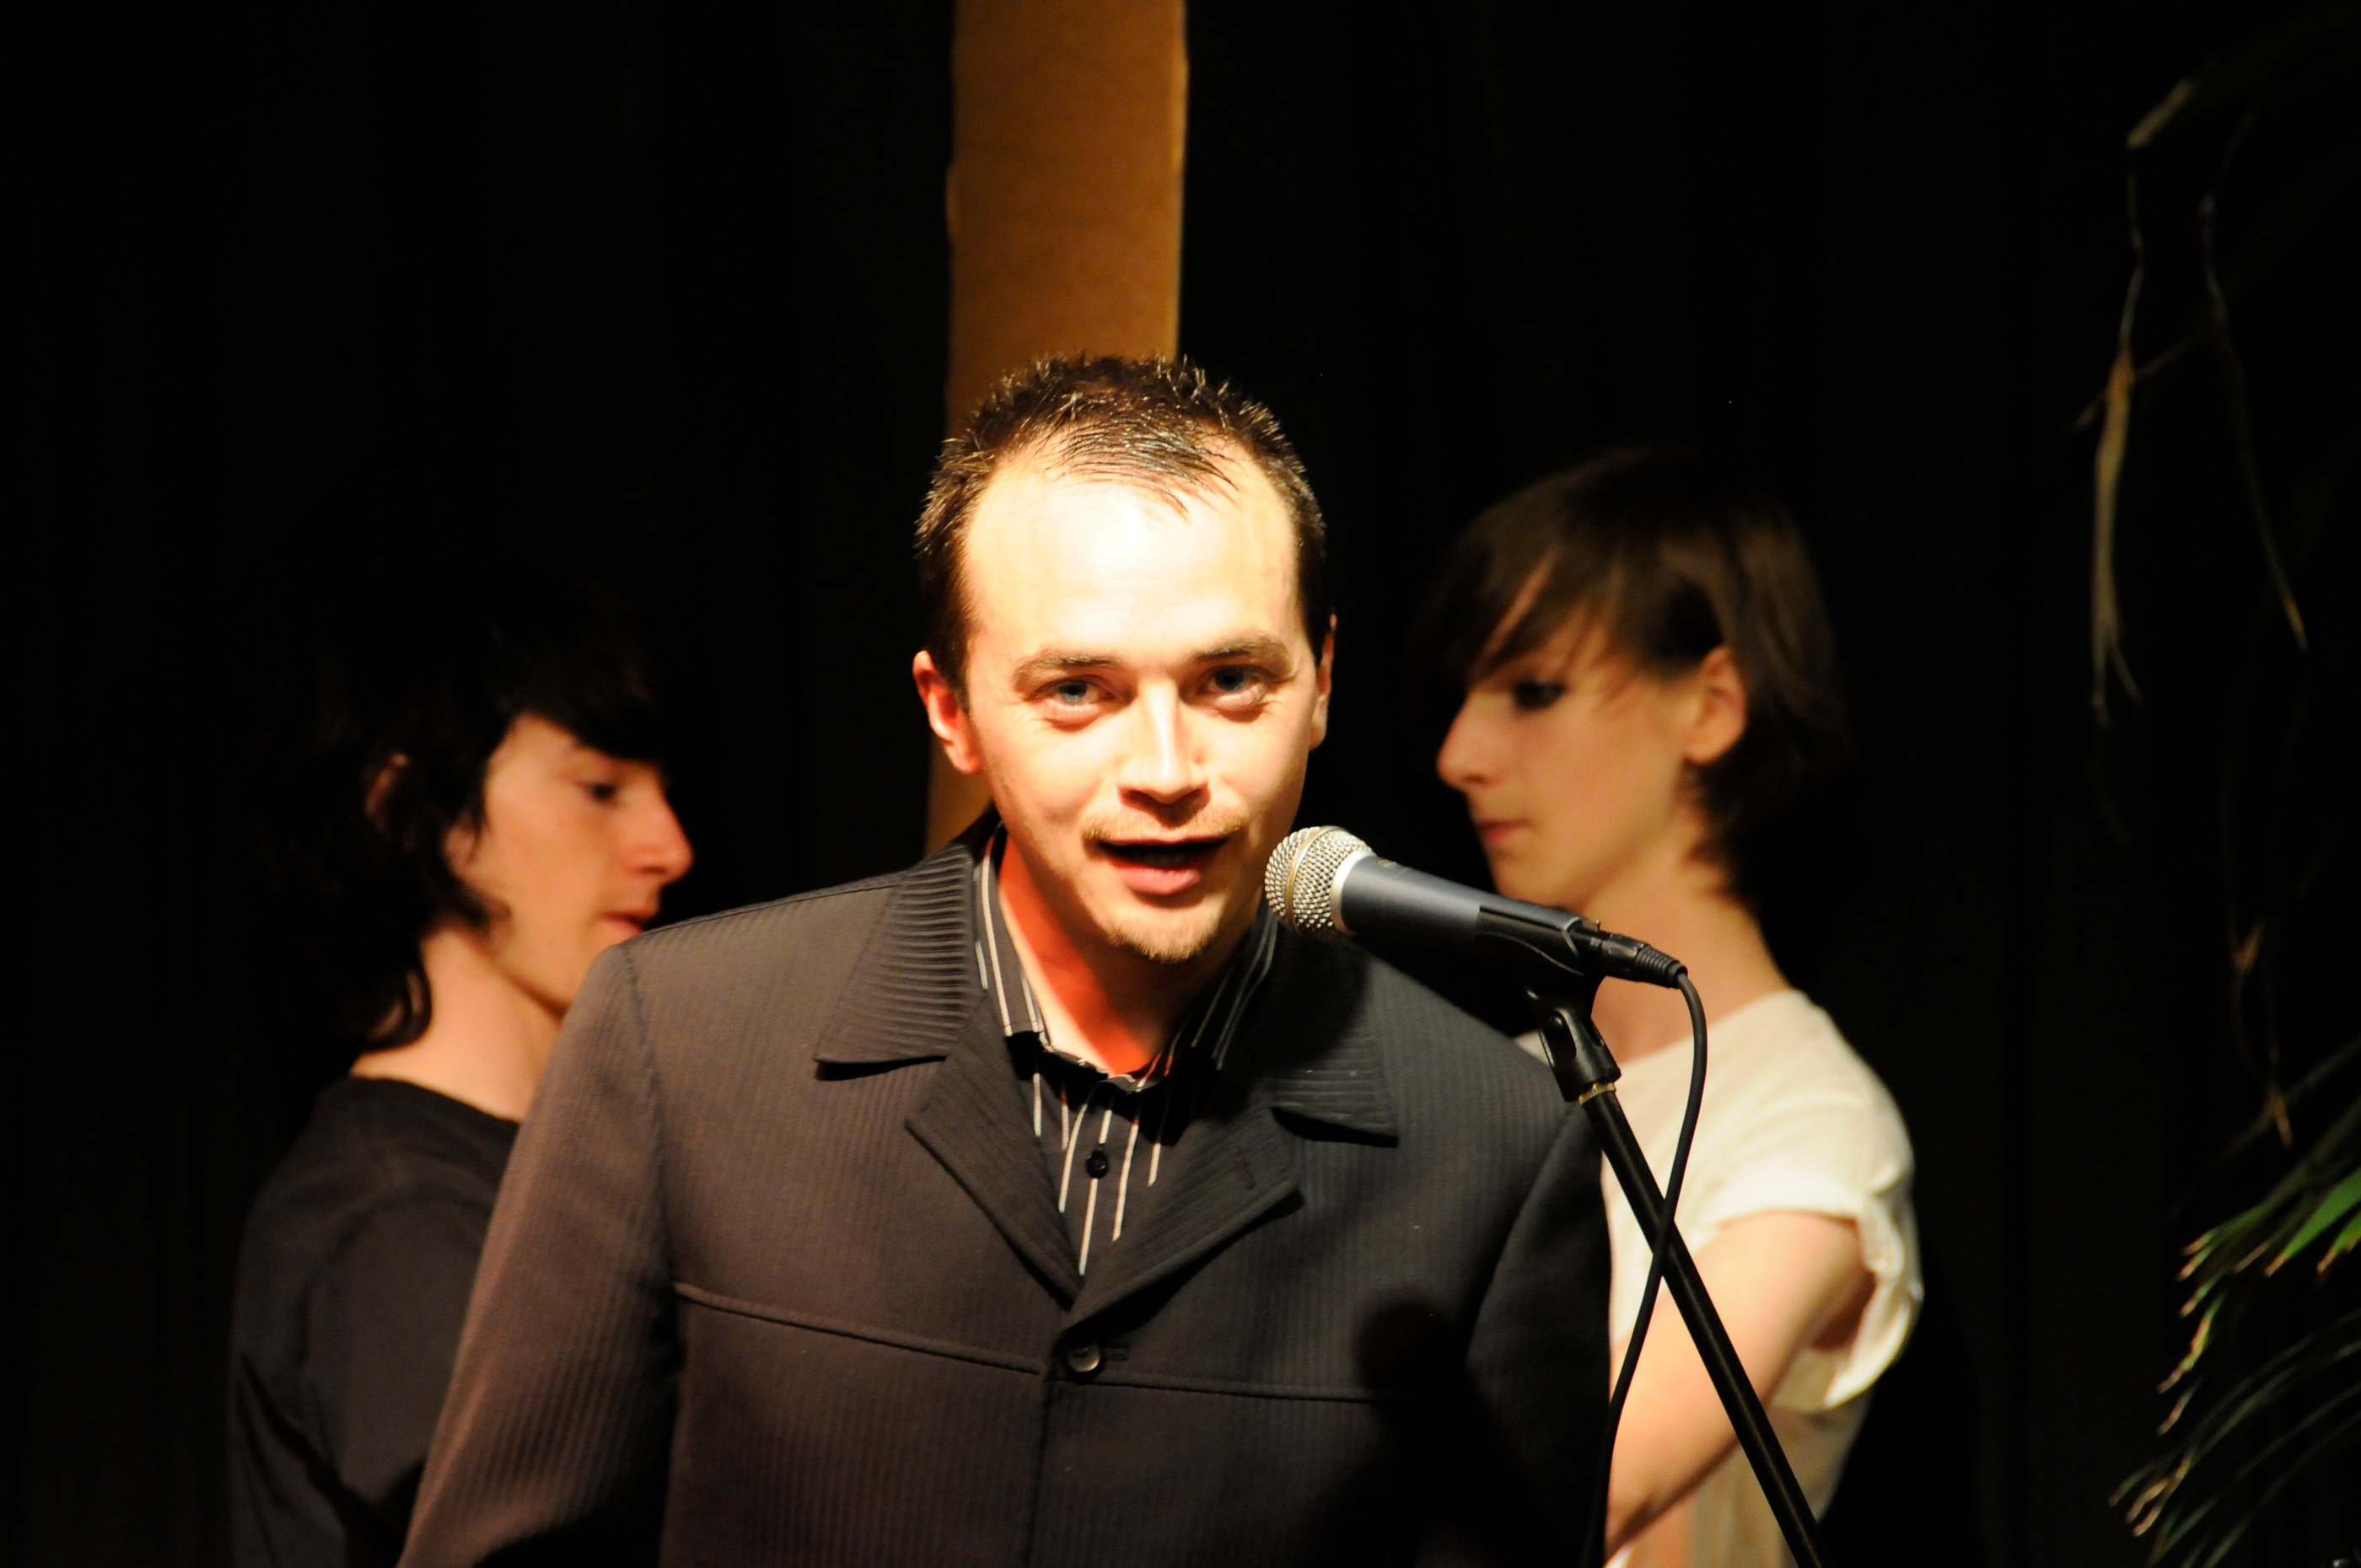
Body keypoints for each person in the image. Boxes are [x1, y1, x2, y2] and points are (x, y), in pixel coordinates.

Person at [397, 356, 1611, 1567]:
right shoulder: (685, 1042)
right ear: (951, 710)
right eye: (1078, 691)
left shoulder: (1492, 1143)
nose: (1167, 770)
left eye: (1231, 682)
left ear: (1323, 681)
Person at [1425, 449, 1921, 1568]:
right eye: (1467, 696)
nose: (1459, 755)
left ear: (1711, 705)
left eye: (1533, 691)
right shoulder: (1484, 1086)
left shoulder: (1811, 1123)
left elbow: (1586, 1484)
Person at [229, 587, 695, 1568]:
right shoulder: (396, 1215)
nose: (669, 848)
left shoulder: (550, 1176)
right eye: (600, 788)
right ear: (416, 813)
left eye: (660, 789)